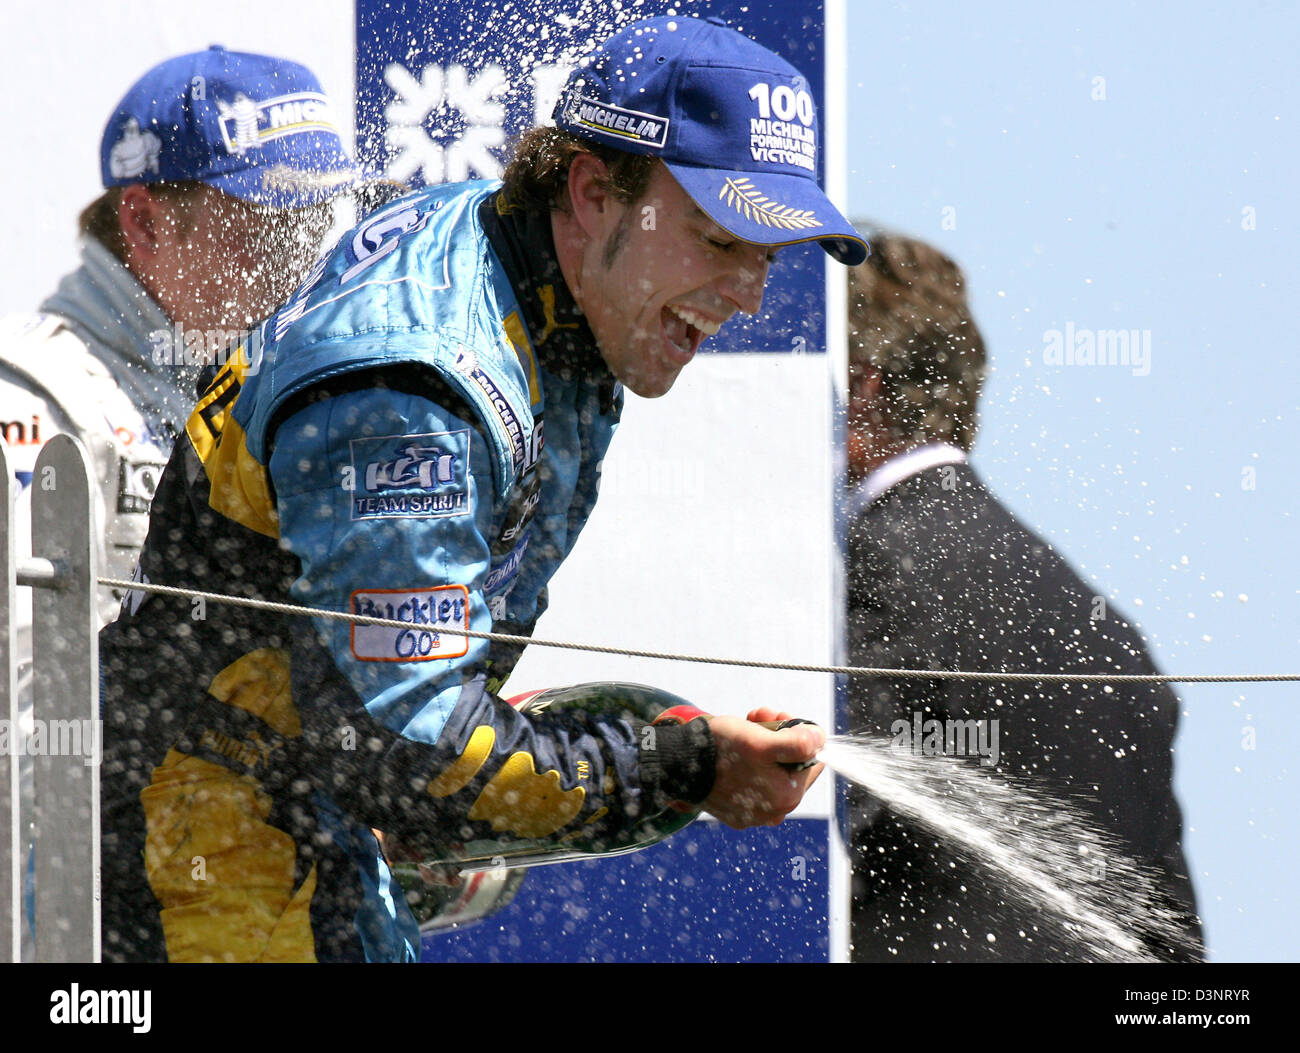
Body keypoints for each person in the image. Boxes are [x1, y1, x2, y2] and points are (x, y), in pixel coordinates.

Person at [99, 15, 865, 963]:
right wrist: (680, 766)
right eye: (717, 239)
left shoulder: (538, 268)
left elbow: (408, 701)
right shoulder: (418, 381)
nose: (749, 292)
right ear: (591, 192)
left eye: (769, 255)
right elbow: (411, 750)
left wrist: (668, 747)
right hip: (203, 855)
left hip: (295, 813)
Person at [842, 231, 1204, 961]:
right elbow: (1172, 941)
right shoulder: (1114, 638)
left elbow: (818, 809)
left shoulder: (877, 568)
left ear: (862, 385)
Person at [1, 45, 358, 697]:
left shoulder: (268, 388)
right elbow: (19, 722)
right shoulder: (30, 398)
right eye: (263, 229)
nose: (297, 261)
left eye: (310, 227)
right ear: (143, 223)